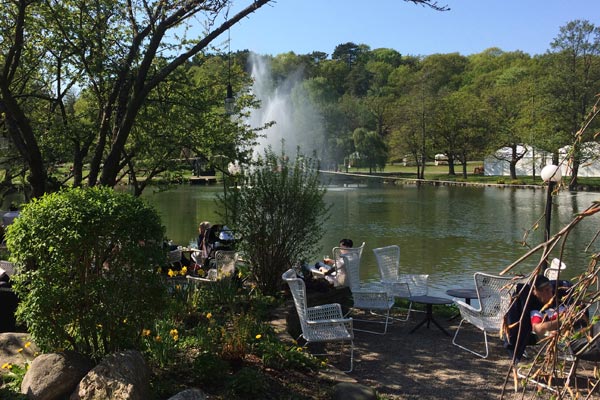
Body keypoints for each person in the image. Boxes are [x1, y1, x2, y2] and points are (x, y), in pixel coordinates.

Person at [529, 275, 600, 361]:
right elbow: (537, 328)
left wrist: (579, 315)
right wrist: (564, 320)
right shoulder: (537, 311)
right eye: (544, 290)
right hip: (569, 342)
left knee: (597, 326)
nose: (549, 292)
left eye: (549, 288)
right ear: (535, 292)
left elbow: (585, 321)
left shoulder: (562, 302)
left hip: (584, 334)